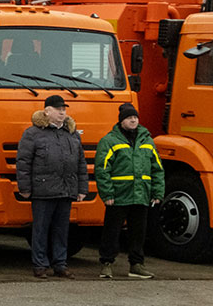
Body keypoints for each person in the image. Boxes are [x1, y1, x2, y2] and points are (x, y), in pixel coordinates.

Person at [17, 94, 89, 279]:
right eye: (58, 110)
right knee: (40, 229)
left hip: (66, 190)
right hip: (43, 190)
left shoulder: (71, 134)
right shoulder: (32, 133)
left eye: (64, 110)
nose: (62, 113)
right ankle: (40, 265)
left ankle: (60, 264)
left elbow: (81, 162)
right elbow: (23, 162)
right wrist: (24, 188)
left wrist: (82, 189)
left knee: (61, 230)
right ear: (47, 111)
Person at [95, 101, 164, 280]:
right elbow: (102, 169)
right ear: (121, 121)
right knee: (112, 231)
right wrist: (107, 193)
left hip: (141, 195)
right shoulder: (109, 141)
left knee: (138, 232)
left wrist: (157, 193)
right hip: (118, 196)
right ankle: (107, 264)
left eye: (135, 117)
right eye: (129, 118)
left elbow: (157, 169)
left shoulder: (147, 141)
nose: (133, 120)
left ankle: (136, 265)